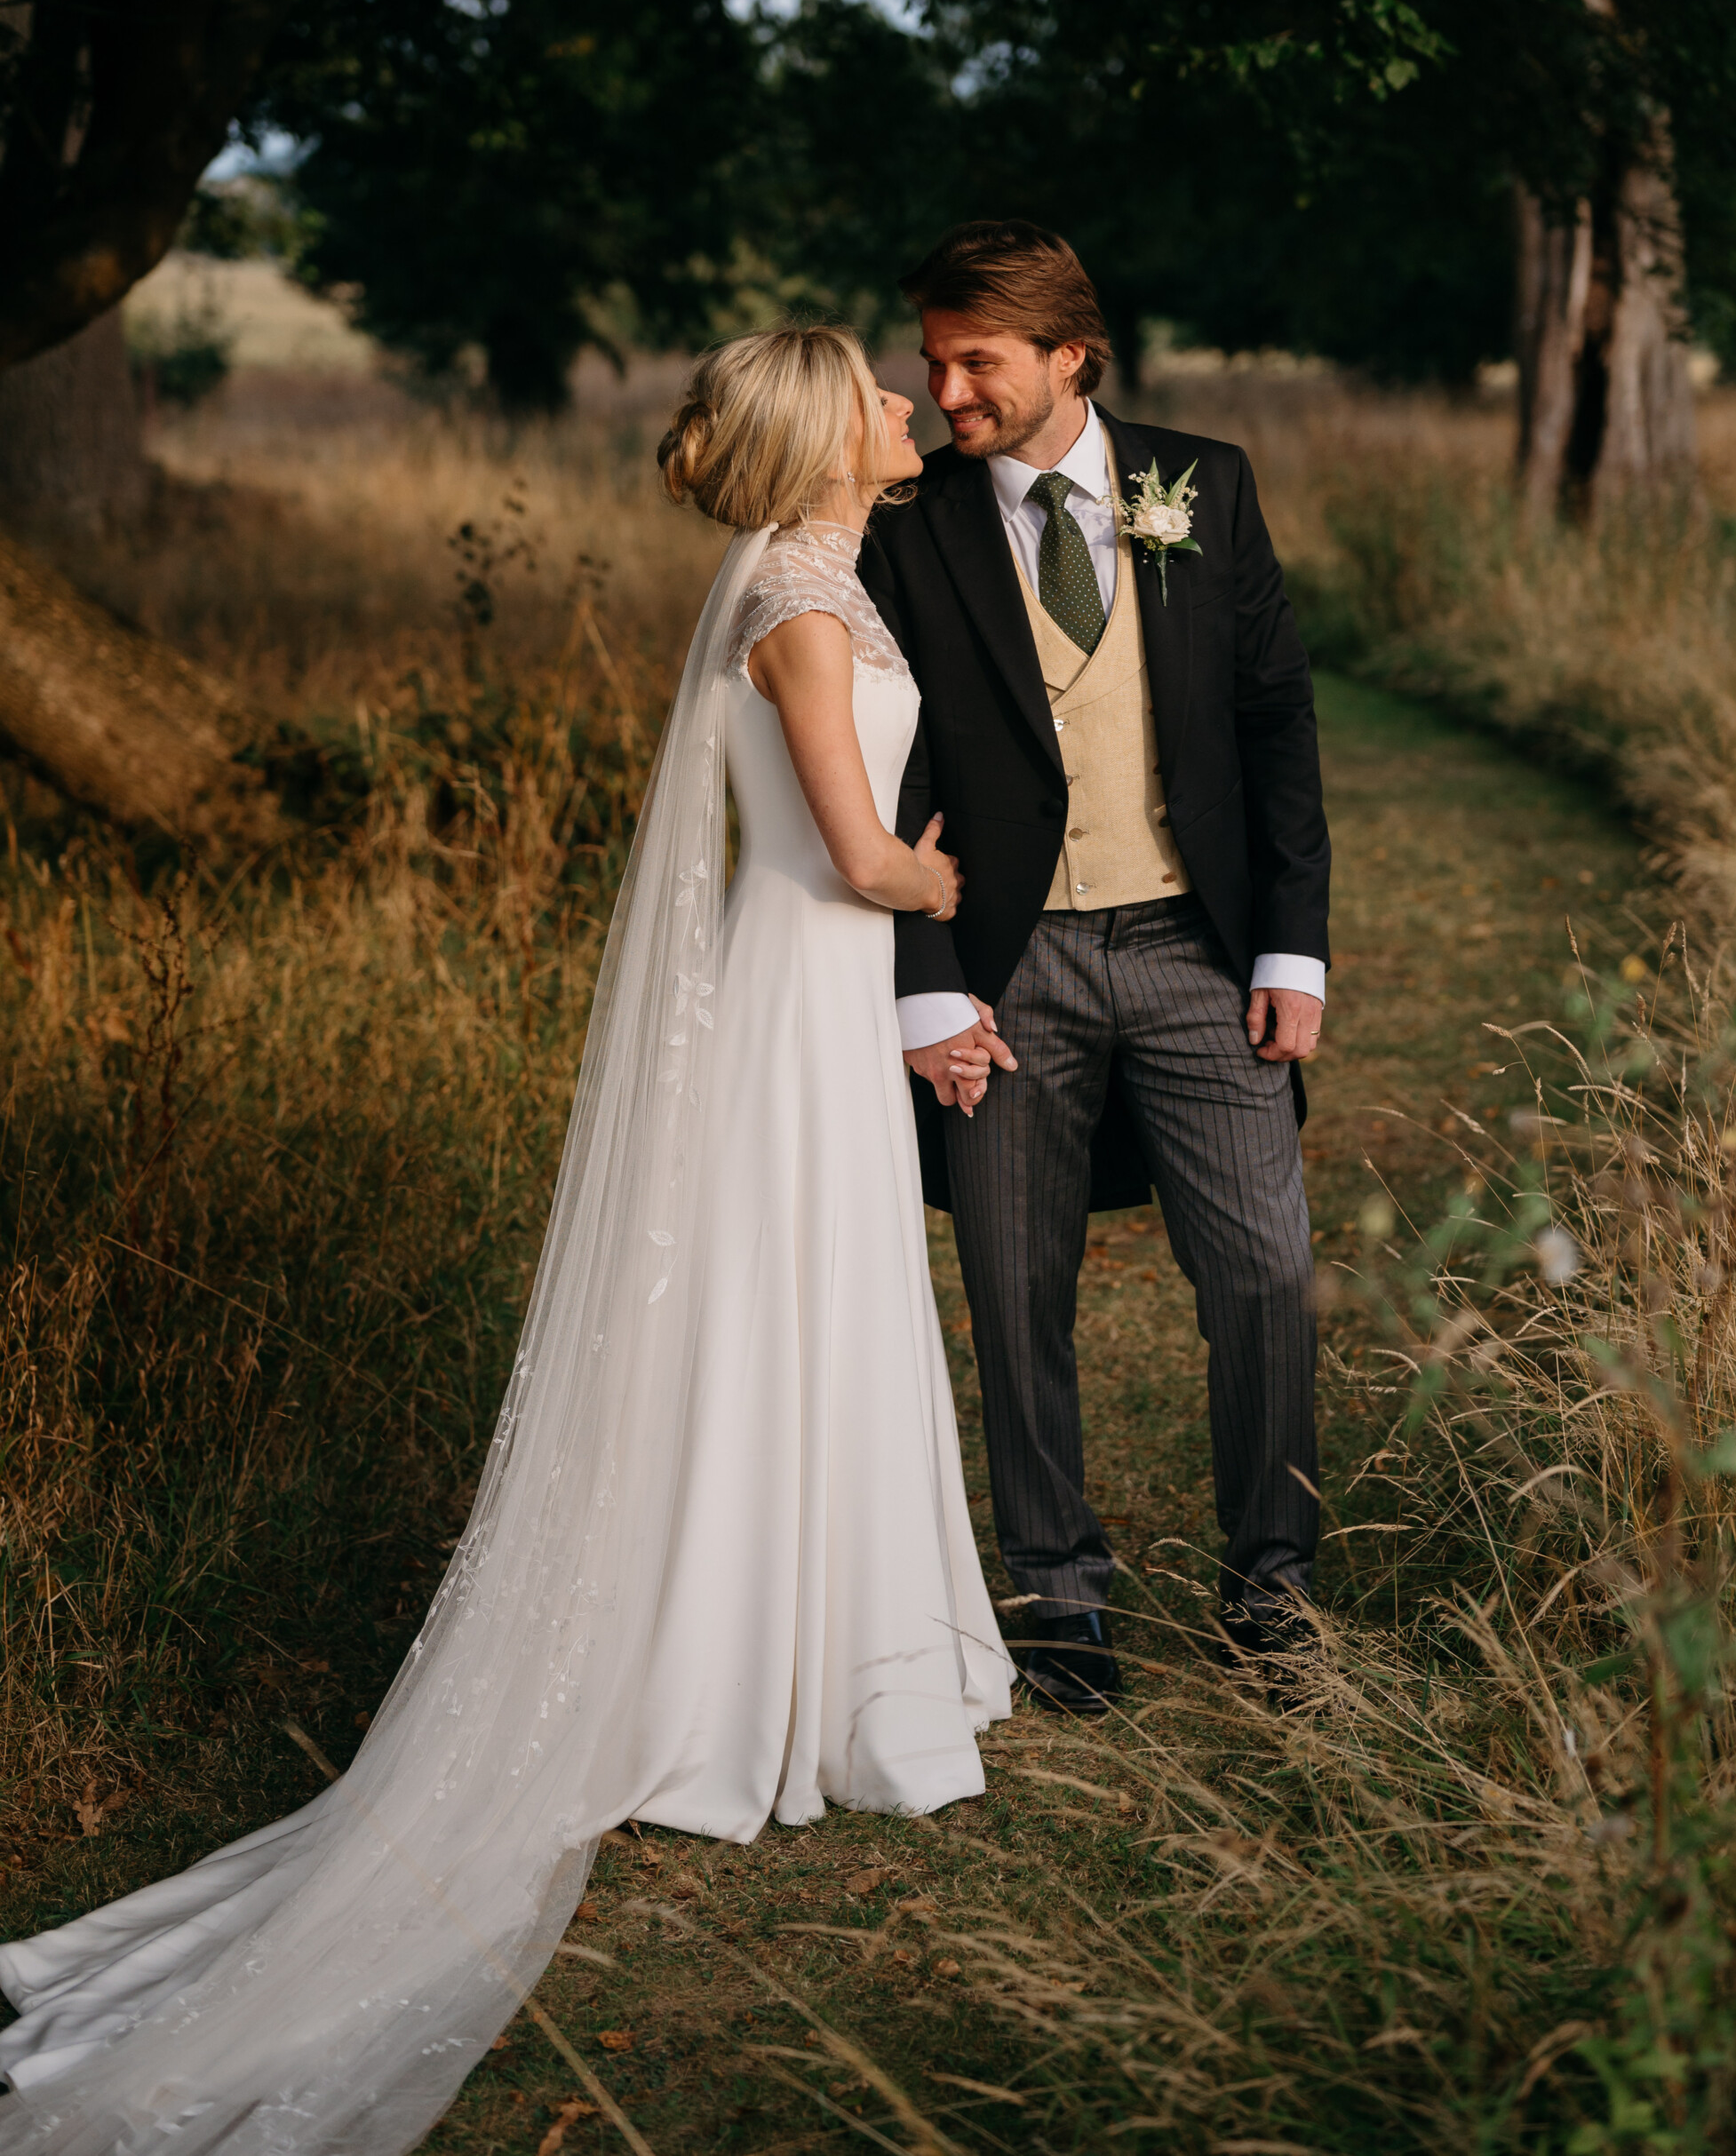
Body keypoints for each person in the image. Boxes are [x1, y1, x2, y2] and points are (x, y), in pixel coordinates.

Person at [0, 322, 1013, 2156]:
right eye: (876, 389)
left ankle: (820, 1655)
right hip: (801, 987)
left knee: (809, 1312)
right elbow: (858, 854)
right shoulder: (798, 604)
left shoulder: (815, 581)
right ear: (820, 436)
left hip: (815, 993)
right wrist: (937, 878)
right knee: (791, 1312)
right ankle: (749, 1683)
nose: (902, 408)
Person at [859, 220, 1332, 1714]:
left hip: (1199, 947)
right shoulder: (906, 526)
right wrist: (926, 979)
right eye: (932, 362)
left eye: (977, 362)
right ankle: (1056, 1593)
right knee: (1015, 1290)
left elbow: (1274, 721)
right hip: (1007, 970)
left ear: (1073, 354)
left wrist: (1294, 944)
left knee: (1266, 1273)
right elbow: (893, 765)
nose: (945, 392)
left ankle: (1274, 1590)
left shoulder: (1205, 484)